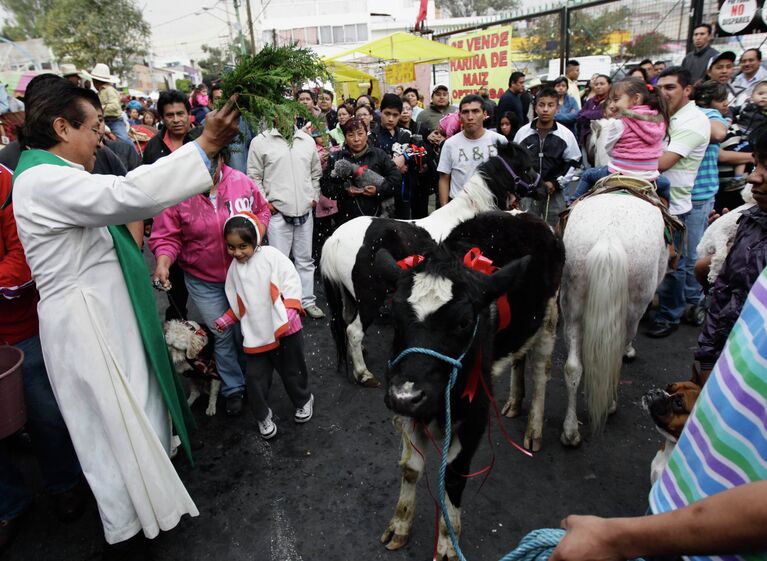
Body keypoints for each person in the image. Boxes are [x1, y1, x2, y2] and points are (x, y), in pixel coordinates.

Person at [10, 77, 240, 551]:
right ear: (61, 127)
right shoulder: (42, 179)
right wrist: (205, 145)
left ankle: (151, 506)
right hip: (87, 325)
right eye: (93, 126)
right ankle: (135, 524)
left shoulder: (51, 173)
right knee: (115, 427)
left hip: (103, 315)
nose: (102, 136)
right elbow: (126, 194)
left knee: (132, 414)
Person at [550, 267, 767, 561]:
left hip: (712, 541)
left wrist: (622, 539)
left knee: (682, 257)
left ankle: (669, 309)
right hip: (676, 497)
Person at [1, 163, 85, 553]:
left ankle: (64, 483)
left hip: (18, 329)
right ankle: (10, 502)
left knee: (45, 412)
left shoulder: (7, 183)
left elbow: (22, 259)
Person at [149, 149, 270, 416]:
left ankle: (253, 378)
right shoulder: (178, 193)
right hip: (204, 280)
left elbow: (262, 211)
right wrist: (163, 262)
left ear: (222, 161)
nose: (203, 177)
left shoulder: (241, 182)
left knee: (246, 329)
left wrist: (255, 236)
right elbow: (166, 237)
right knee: (223, 332)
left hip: (243, 275)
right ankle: (233, 387)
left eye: (209, 170)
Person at [214, 213, 314, 440]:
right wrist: (228, 318)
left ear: (255, 240)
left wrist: (290, 309)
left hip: (285, 328)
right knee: (255, 378)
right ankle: (262, 415)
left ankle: (303, 399)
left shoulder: (271, 256)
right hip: (256, 333)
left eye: (243, 246)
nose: (237, 253)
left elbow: (290, 279)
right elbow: (238, 299)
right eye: (231, 247)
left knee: (292, 370)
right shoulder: (234, 269)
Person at [692, 124, 767, 381]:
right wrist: (707, 359)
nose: (753, 177)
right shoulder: (751, 219)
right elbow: (724, 297)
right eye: (756, 165)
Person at [646, 66, 711, 338]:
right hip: (651, 201)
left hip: (674, 207)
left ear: (687, 90)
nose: (663, 93)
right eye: (659, 87)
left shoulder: (693, 121)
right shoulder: (662, 117)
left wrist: (627, 160)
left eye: (670, 87)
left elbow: (661, 163)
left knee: (674, 265)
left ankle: (669, 315)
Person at [247, 112, 325, 319]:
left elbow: (315, 174)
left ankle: (307, 301)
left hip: (305, 210)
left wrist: (313, 197)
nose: (284, 115)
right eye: (280, 110)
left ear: (296, 113)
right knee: (278, 261)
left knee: (305, 260)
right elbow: (253, 176)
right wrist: (266, 203)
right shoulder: (260, 142)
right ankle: (282, 304)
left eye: (289, 110)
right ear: (272, 114)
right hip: (277, 212)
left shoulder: (307, 141)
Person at [678, 80, 730, 326]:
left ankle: (693, 301)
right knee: (678, 255)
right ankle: (679, 300)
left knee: (693, 254)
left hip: (699, 195)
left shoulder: (705, 116)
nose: (726, 105)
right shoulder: (699, 113)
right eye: (722, 100)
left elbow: (719, 134)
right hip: (685, 193)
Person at [143, 90, 196, 321]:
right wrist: (147, 221)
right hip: (169, 229)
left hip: (200, 225)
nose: (176, 120)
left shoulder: (202, 141)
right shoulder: (153, 149)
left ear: (189, 114)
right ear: (162, 118)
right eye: (170, 115)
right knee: (175, 290)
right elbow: (145, 187)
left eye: (180, 114)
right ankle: (179, 344)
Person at [572, 77, 669, 202]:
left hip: (619, 172)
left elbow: (608, 150)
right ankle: (668, 215)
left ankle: (572, 205)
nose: (613, 104)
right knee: (666, 185)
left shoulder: (619, 123)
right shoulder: (659, 121)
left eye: (616, 99)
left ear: (636, 98)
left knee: (588, 174)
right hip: (649, 176)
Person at [514, 86, 581, 226]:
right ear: (535, 107)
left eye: (550, 105)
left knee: (554, 228)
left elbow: (574, 162)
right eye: (541, 105)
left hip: (554, 193)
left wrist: (556, 183)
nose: (545, 109)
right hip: (528, 193)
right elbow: (515, 161)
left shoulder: (565, 134)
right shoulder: (522, 133)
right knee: (526, 228)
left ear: (557, 108)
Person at [320, 116, 401, 223]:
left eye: (360, 133)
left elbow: (396, 180)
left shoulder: (379, 155)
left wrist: (378, 191)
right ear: (345, 137)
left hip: (378, 219)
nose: (356, 139)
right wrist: (345, 190)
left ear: (367, 135)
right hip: (346, 219)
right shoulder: (336, 158)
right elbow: (326, 186)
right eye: (351, 135)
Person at [436, 94, 507, 206]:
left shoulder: (499, 140)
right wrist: (444, 208)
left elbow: (508, 174)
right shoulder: (450, 144)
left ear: (484, 115)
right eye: (465, 112)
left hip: (492, 205)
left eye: (475, 111)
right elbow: (444, 178)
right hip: (460, 206)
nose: (470, 117)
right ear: (460, 116)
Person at [89, 63, 132, 146]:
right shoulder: (99, 92)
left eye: (93, 80)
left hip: (114, 121)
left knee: (125, 140)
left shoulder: (109, 90)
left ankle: (136, 156)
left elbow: (115, 106)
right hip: (103, 121)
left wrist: (100, 109)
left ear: (97, 81)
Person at [575, 74, 611, 165]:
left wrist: (587, 114)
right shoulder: (590, 101)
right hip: (586, 137)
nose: (598, 86)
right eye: (596, 84)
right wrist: (597, 114)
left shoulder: (611, 101)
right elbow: (579, 117)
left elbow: (607, 115)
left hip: (604, 141)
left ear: (610, 85)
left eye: (602, 84)